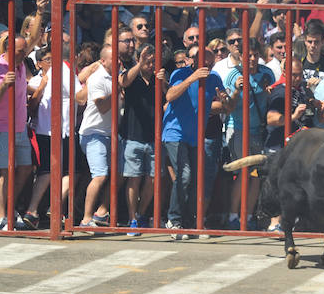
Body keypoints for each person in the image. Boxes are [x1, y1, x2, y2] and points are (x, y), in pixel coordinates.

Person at [162, 48, 226, 239]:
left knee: (196, 179)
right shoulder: (180, 73)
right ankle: (174, 220)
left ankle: (190, 223)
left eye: (209, 61)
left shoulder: (214, 78)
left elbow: (227, 107)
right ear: (193, 60)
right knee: (184, 175)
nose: (206, 65)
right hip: (175, 133)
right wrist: (192, 78)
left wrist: (227, 99)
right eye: (202, 61)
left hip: (196, 135)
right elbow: (170, 96)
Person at [23, 45, 82, 230]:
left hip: (49, 129)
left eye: (51, 58)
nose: (49, 62)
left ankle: (34, 211)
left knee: (49, 171)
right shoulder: (64, 70)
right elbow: (79, 97)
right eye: (46, 60)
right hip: (58, 130)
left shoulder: (56, 73)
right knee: (69, 171)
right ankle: (51, 208)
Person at [225, 40, 275, 229]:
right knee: (242, 172)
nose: (252, 59)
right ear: (241, 56)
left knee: (255, 175)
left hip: (259, 131)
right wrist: (237, 90)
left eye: (255, 55)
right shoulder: (234, 75)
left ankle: (246, 217)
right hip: (238, 129)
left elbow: (274, 96)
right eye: (249, 55)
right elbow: (227, 105)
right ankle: (232, 217)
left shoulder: (267, 74)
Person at [0, 36, 35, 230]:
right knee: (6, 172)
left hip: (20, 126)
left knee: (25, 168)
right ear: (8, 49)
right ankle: (1, 217)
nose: (24, 54)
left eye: (25, 51)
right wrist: (4, 84)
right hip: (2, 126)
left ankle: (10, 208)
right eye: (20, 51)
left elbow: (33, 40)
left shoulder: (21, 64)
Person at [119, 44, 163, 234]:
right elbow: (123, 81)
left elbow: (168, 97)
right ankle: (132, 219)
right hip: (132, 137)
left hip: (153, 138)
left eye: (153, 61)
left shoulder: (158, 79)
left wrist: (164, 82)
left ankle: (141, 213)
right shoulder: (133, 77)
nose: (151, 64)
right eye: (147, 60)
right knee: (134, 179)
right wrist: (140, 63)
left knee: (153, 180)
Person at [77, 45, 116, 227]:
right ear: (102, 61)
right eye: (112, 59)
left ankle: (100, 214)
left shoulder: (114, 76)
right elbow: (102, 107)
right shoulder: (98, 78)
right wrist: (117, 89)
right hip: (94, 133)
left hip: (108, 133)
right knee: (99, 175)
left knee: (110, 175)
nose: (117, 62)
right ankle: (86, 219)